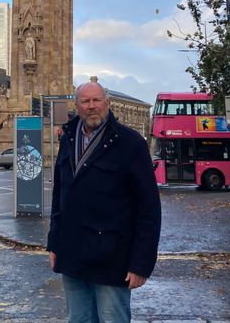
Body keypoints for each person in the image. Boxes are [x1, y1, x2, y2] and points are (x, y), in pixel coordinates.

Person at [47, 81, 161, 323]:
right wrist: (54, 243)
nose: (92, 106)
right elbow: (60, 195)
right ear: (77, 106)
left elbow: (148, 209)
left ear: (107, 104)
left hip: (112, 257)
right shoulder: (67, 139)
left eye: (97, 100)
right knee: (78, 319)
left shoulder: (130, 143)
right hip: (73, 253)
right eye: (85, 101)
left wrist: (141, 264)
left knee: (112, 319)